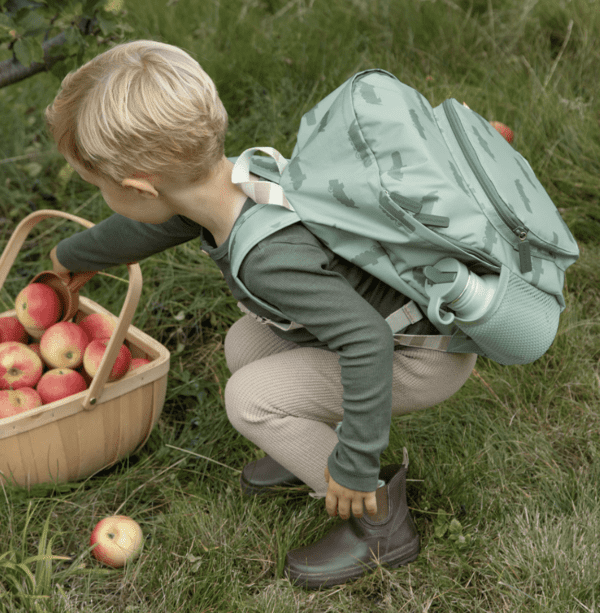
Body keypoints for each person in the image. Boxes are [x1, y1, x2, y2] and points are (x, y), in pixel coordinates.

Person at [46, 39, 478, 589]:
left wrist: (355, 461)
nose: (105, 197)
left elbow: (366, 340)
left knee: (248, 400)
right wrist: (70, 258)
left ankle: (377, 520)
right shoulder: (234, 180)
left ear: (138, 187)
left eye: (100, 188)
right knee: (245, 345)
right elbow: (148, 226)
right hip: (399, 329)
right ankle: (304, 447)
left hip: (420, 357)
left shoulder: (269, 260)